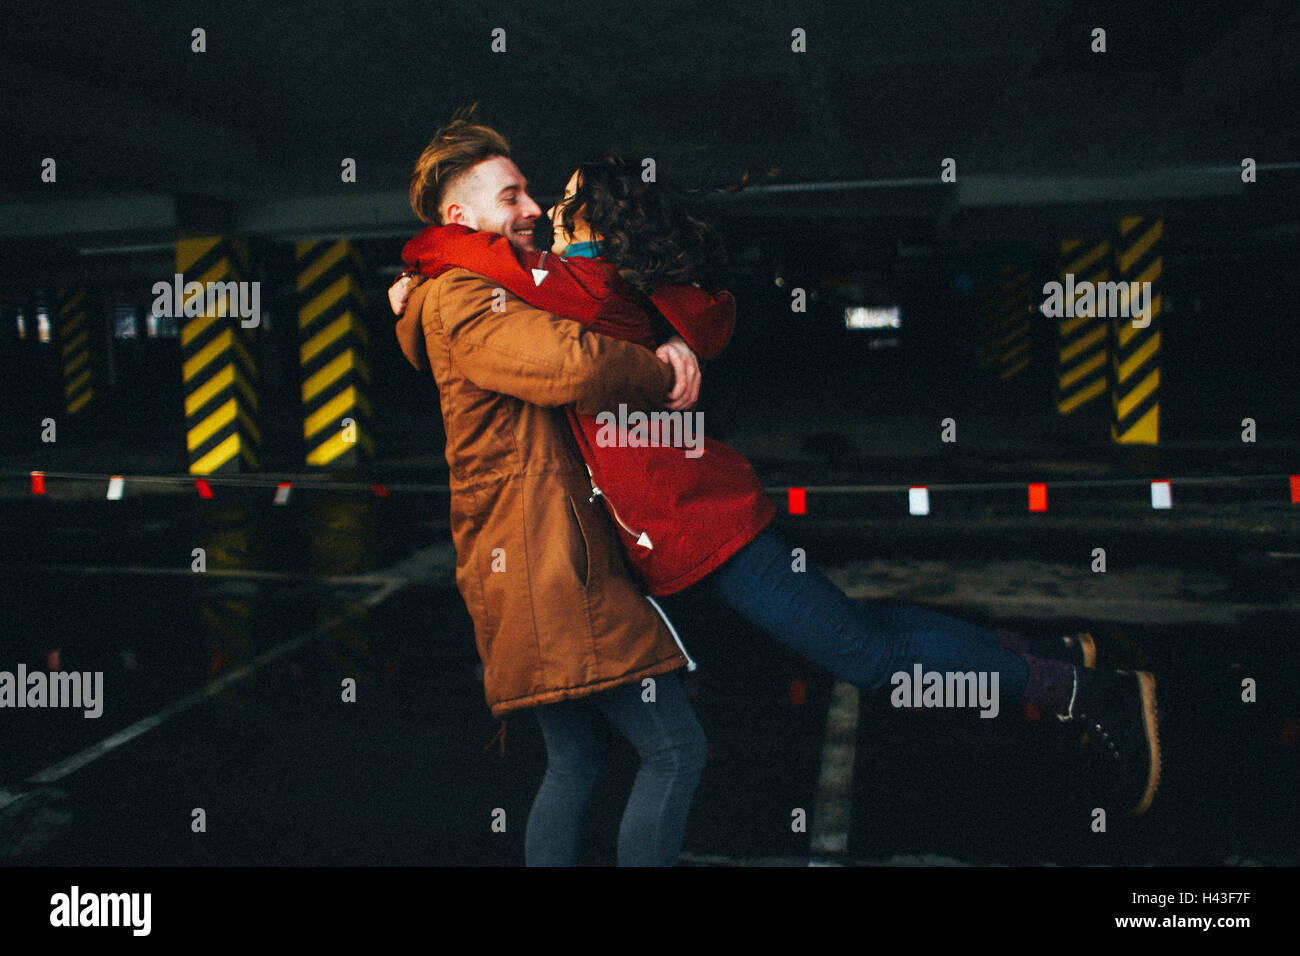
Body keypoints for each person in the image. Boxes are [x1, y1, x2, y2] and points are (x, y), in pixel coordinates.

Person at [392, 149, 1163, 818]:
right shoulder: (609, 287)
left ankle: (1088, 693)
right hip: (702, 519)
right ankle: (1053, 652)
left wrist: (421, 276)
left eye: (561, 195)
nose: (546, 209)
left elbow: (494, 282)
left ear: (593, 217)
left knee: (869, 660)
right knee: (867, 630)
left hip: (707, 529)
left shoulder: (586, 286)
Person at [393, 108, 709, 866]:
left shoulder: (468, 283)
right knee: (674, 750)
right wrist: (665, 364)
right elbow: (575, 364)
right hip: (546, 565)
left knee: (576, 762)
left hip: (534, 558)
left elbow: (575, 307)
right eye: (512, 197)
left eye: (529, 191)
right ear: (461, 217)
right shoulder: (466, 296)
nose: (533, 209)